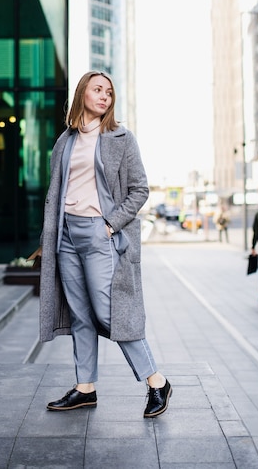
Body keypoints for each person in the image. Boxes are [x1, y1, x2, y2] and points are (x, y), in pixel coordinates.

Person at [38, 70, 172, 418]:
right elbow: (56, 194)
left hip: (100, 233)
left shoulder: (121, 138)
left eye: (109, 93)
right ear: (82, 92)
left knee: (109, 312)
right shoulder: (64, 141)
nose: (104, 97)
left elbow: (139, 190)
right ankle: (85, 388)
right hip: (66, 236)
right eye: (98, 90)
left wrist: (110, 226)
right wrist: (47, 238)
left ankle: (156, 381)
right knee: (81, 313)